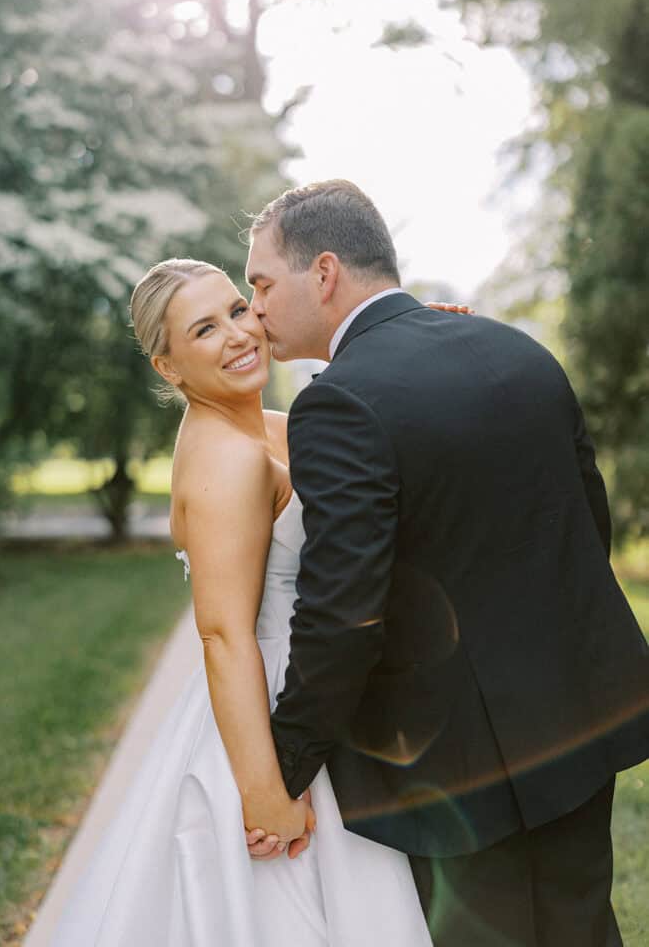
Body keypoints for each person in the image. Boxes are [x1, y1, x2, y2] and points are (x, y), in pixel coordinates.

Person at [242, 179, 649, 947]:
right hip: (577, 713)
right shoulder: (514, 349)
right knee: (581, 927)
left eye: (262, 283)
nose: (255, 307)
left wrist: (285, 765)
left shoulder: (340, 402)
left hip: (450, 761)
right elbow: (581, 528)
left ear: (323, 273)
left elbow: (341, 612)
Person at [50, 255, 471, 945]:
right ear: (169, 367)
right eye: (204, 330)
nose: (238, 334)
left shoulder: (278, 425)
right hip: (272, 709)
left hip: (317, 687)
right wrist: (264, 793)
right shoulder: (225, 457)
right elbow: (221, 634)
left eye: (238, 310)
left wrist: (416, 346)